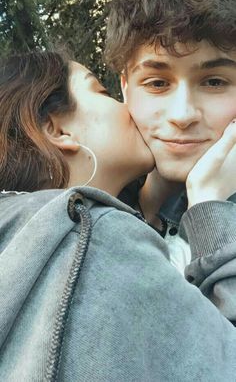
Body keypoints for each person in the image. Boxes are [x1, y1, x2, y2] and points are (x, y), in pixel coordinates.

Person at [1, 51, 236, 382]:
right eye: (101, 91)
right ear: (57, 129)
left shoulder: (20, 227)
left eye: (214, 82)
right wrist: (212, 211)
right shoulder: (94, 234)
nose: (180, 115)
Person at [105, 0, 236, 275]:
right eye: (157, 83)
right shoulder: (83, 200)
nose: (182, 115)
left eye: (214, 82)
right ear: (125, 87)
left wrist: (211, 215)